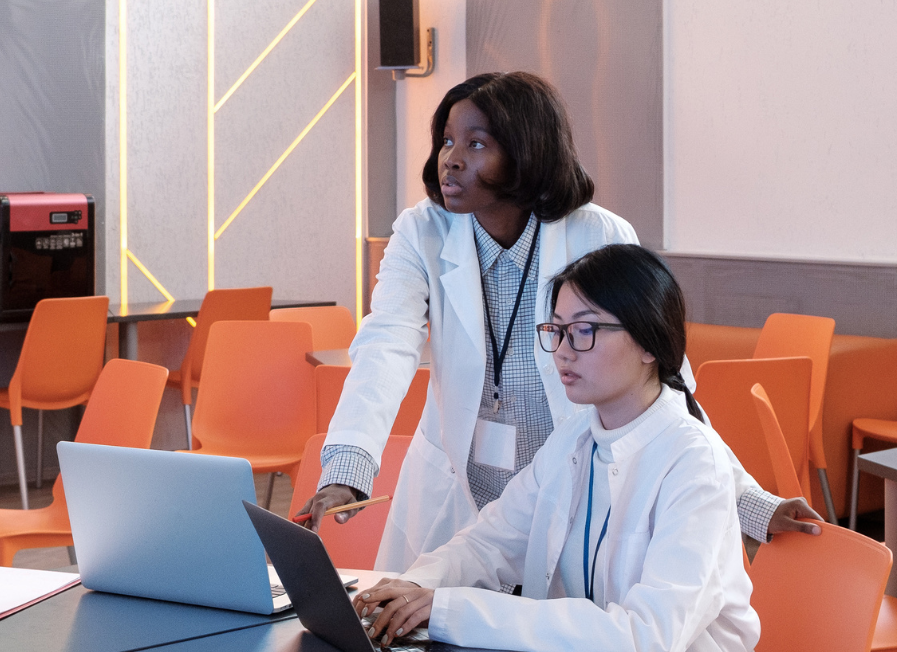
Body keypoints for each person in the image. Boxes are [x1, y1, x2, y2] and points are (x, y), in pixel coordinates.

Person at [297, 71, 818, 571]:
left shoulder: (598, 236)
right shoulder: (421, 232)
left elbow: (667, 386)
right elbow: (385, 345)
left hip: (568, 488)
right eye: (447, 142)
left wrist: (747, 499)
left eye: (476, 144)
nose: (450, 160)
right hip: (455, 490)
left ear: (526, 152)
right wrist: (349, 470)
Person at [353, 245, 760, 652]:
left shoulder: (694, 461)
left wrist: (451, 610)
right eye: (557, 330)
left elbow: (646, 636)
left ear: (649, 343)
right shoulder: (575, 437)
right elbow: (490, 541)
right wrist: (415, 586)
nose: (563, 351)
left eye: (585, 331)